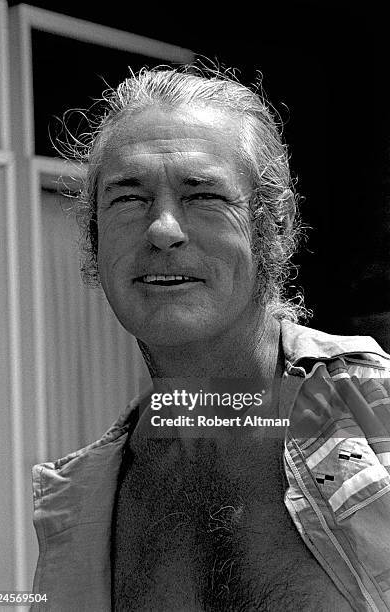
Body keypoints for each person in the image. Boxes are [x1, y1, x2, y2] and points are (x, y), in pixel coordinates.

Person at [31, 65, 390, 611]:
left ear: (273, 225)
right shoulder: (85, 504)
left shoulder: (373, 416)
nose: (163, 230)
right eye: (128, 199)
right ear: (94, 240)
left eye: (202, 195)